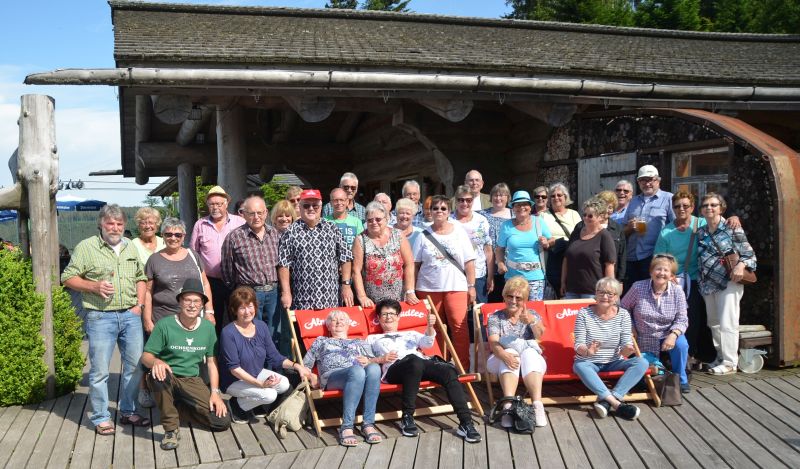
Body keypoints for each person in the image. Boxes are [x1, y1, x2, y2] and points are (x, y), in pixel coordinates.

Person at [62, 204, 150, 435]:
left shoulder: (130, 246)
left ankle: (129, 411)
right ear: (101, 224)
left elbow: (141, 277)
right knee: (100, 370)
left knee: (134, 367)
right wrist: (93, 285)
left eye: (119, 224)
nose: (115, 227)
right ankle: (101, 416)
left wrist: (139, 305)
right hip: (101, 316)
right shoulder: (86, 247)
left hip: (130, 316)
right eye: (110, 223)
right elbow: (68, 277)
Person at [367, 299, 482, 443]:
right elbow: (364, 360)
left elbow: (427, 343)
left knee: (448, 371)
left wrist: (429, 326)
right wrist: (381, 359)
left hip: (419, 364)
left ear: (398, 316)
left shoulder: (411, 333)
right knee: (414, 361)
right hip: (394, 369)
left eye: (392, 313)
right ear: (378, 318)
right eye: (384, 314)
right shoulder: (372, 338)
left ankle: (466, 423)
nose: (388, 317)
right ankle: (407, 417)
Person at [141, 279, 230, 450]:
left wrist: (215, 393)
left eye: (196, 301)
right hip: (168, 376)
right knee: (158, 375)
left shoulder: (208, 328)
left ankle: (178, 407)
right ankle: (171, 429)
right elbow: (145, 357)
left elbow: (211, 363)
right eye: (187, 300)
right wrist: (156, 361)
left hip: (192, 380)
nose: (191, 305)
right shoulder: (164, 325)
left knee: (221, 421)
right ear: (180, 302)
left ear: (202, 305)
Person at [221, 286, 313, 423]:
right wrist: (260, 384)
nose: (247, 312)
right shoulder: (228, 333)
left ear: (255, 307)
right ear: (234, 310)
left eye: (250, 306)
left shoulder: (261, 326)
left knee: (284, 383)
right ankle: (235, 406)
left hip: (256, 373)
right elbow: (234, 369)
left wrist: (297, 366)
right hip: (234, 380)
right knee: (269, 395)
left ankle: (252, 403)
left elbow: (274, 357)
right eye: (242, 308)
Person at [412, 195, 476, 371]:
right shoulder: (422, 234)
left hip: (456, 287)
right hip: (428, 288)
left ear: (449, 212)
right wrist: (411, 290)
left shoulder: (459, 231)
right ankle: (440, 367)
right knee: (436, 329)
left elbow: (469, 262)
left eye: (443, 208)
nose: (439, 211)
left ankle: (463, 368)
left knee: (459, 327)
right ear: (430, 212)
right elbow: (414, 265)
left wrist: (471, 286)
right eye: (435, 208)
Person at [572, 277, 648, 420]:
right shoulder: (584, 314)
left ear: (617, 297)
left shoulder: (623, 315)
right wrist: (587, 351)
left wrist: (627, 349)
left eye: (610, 294)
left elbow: (626, 342)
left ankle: (608, 400)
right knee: (579, 365)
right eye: (601, 292)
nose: (605, 296)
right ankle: (616, 403)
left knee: (642, 362)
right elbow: (578, 344)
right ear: (595, 294)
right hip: (589, 362)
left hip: (614, 361)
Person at [697, 193, 757, 375]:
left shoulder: (732, 227)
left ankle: (730, 362)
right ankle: (721, 357)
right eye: (706, 205)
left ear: (721, 208)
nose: (709, 208)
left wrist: (741, 265)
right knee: (714, 323)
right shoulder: (701, 231)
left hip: (728, 282)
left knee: (727, 322)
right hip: (708, 283)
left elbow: (749, 254)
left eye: (713, 205)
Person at [303, 310, 382, 446]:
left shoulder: (359, 342)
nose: (338, 322)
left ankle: (368, 423)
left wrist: (369, 360)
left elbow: (375, 360)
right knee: (357, 371)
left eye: (342, 320)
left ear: (348, 325)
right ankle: (346, 427)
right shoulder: (321, 341)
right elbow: (305, 364)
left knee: (374, 368)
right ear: (328, 326)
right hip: (333, 376)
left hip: (359, 374)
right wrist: (311, 375)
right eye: (334, 320)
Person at [654, 191, 715, 367]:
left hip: (698, 279)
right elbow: (659, 257)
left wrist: (733, 218)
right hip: (674, 281)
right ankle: (677, 354)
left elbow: (720, 227)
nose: (681, 209)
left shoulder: (701, 223)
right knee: (675, 317)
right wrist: (669, 274)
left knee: (697, 318)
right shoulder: (666, 231)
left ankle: (694, 354)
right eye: (677, 206)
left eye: (685, 206)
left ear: (693, 207)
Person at [221, 194, 283, 352]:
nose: (256, 217)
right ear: (243, 214)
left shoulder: (276, 235)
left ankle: (274, 372)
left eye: (260, 212)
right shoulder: (234, 238)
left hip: (274, 292)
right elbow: (227, 270)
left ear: (266, 213)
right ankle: (255, 374)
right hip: (249, 293)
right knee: (252, 335)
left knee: (274, 334)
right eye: (251, 213)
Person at [621, 255, 690, 393]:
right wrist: (631, 326)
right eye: (658, 269)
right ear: (651, 272)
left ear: (671, 275)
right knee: (640, 371)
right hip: (642, 335)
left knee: (681, 344)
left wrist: (673, 334)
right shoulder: (637, 287)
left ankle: (680, 379)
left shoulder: (677, 292)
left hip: (666, 334)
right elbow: (622, 308)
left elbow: (682, 319)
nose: (662, 273)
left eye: (666, 270)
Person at [485, 277, 548, 427]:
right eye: (509, 296)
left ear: (525, 299)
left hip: (529, 362)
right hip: (500, 359)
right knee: (511, 351)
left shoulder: (532, 314)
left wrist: (532, 321)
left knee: (529, 353)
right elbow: (493, 343)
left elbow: (540, 335)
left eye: (518, 298)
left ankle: (537, 405)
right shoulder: (496, 317)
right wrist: (504, 354)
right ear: (504, 296)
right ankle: (508, 406)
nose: (513, 300)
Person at [279, 189, 354, 310]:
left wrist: (346, 285)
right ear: (300, 206)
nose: (311, 208)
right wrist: (286, 292)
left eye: (315, 205)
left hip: (331, 298)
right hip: (302, 299)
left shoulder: (332, 228)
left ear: (321, 206)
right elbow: (284, 265)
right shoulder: (290, 232)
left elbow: (345, 257)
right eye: (306, 205)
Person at [190, 185, 246, 336]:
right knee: (213, 319)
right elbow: (193, 254)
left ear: (226, 204)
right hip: (211, 282)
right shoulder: (200, 224)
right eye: (212, 204)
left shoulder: (239, 222)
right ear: (207, 205)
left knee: (238, 317)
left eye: (219, 204)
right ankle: (214, 355)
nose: (215, 207)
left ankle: (236, 353)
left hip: (235, 280)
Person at [144, 217, 215, 334]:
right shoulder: (154, 260)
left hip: (194, 317)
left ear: (184, 236)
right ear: (162, 235)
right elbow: (148, 292)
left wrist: (209, 312)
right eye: (168, 234)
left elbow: (205, 284)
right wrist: (147, 320)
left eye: (178, 235)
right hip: (163, 318)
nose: (173, 238)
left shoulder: (193, 256)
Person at [353, 202, 417, 307]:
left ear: (386, 219)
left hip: (399, 298)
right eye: (370, 220)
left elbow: (409, 264)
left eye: (378, 219)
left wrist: (410, 291)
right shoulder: (360, 240)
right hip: (372, 301)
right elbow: (356, 271)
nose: (374, 222)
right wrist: (362, 296)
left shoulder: (398, 235)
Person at [623, 165, 676, 291]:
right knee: (631, 294)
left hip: (653, 257)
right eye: (643, 180)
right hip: (632, 256)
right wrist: (630, 227)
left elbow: (677, 226)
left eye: (650, 180)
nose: (647, 183)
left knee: (651, 294)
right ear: (638, 182)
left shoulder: (669, 198)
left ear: (658, 180)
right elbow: (623, 230)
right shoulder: (633, 201)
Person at [495, 190, 552, 301]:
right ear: (513, 208)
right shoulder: (506, 226)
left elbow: (551, 239)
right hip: (513, 276)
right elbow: (499, 249)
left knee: (534, 312)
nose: (522, 207)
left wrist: (547, 242)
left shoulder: (539, 222)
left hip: (536, 277)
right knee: (513, 310)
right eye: (518, 205)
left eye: (525, 204)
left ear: (530, 207)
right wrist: (500, 263)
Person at [561, 197, 616, 299]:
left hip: (593, 291)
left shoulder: (604, 235)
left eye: (590, 216)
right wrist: (563, 282)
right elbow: (566, 258)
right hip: (571, 289)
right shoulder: (577, 231)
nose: (586, 218)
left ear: (600, 217)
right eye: (584, 215)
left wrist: (608, 290)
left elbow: (609, 265)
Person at [452, 184, 494, 304]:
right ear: (456, 201)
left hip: (478, 273)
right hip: (454, 274)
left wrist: (490, 276)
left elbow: (488, 249)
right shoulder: (449, 220)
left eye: (468, 200)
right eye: (461, 200)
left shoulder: (481, 221)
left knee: (478, 312)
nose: (465, 203)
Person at [574, 191, 626, 282]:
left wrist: (620, 280)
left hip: (610, 277)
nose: (607, 210)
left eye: (611, 207)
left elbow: (622, 256)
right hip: (586, 277)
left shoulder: (617, 229)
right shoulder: (581, 226)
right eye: (605, 206)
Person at [540, 183, 581, 297]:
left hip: (570, 255)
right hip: (552, 256)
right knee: (554, 286)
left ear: (565, 197)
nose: (556, 198)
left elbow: (580, 235)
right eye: (552, 196)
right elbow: (539, 237)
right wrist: (547, 242)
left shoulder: (574, 214)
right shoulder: (543, 216)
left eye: (559, 195)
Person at [479, 183, 513, 302]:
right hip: (488, 262)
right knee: (491, 297)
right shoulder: (481, 214)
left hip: (509, 263)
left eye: (502, 195)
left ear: (508, 197)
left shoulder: (514, 214)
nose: (498, 198)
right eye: (495, 195)